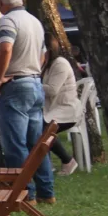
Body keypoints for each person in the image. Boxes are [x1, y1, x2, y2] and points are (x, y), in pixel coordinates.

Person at [0, 0, 55, 205]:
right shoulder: (34, 21)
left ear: (1, 3)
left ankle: (26, 194)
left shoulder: (7, 21)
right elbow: (44, 54)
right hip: (35, 83)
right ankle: (47, 192)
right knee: (37, 144)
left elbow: (5, 47)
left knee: (15, 143)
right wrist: (31, 69)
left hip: (16, 85)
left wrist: (0, 77)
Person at [41, 37, 82, 177]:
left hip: (67, 110)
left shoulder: (60, 64)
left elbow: (52, 90)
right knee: (35, 126)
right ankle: (46, 165)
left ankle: (68, 160)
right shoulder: (46, 65)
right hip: (53, 110)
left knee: (43, 130)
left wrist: (32, 85)